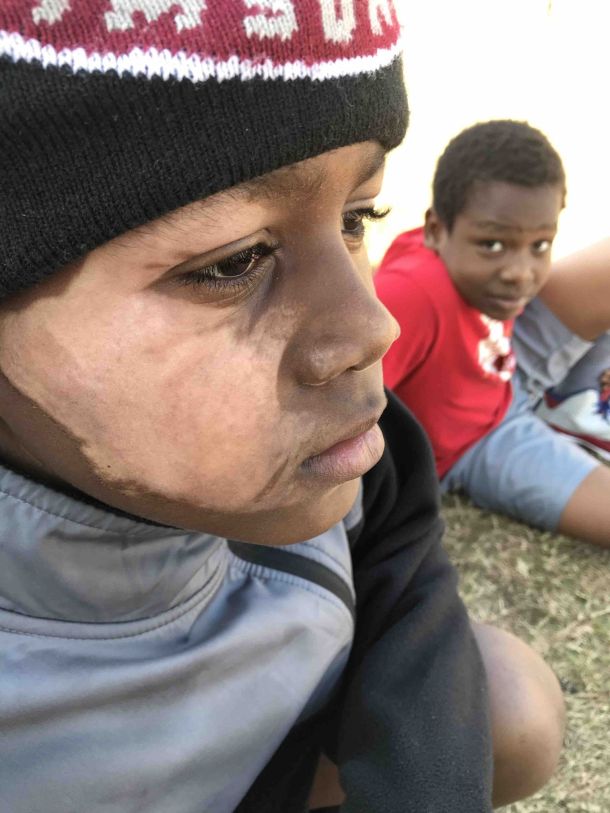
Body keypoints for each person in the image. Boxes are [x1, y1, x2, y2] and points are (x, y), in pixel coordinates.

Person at [0, 9, 563, 813]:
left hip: (275, 759)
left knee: (511, 701)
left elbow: (404, 561)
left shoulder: (338, 462)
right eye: (234, 261)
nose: (373, 326)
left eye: (357, 218)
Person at [375, 119, 610, 548]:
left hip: (505, 357)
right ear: (436, 231)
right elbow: (337, 413)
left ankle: (572, 399)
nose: (521, 273)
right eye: (493, 245)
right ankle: (572, 406)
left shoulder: (490, 280)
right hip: (479, 443)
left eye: (540, 245)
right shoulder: (412, 294)